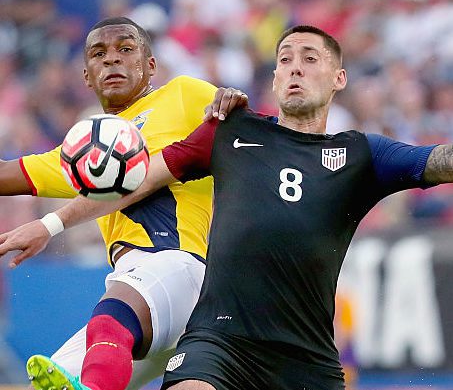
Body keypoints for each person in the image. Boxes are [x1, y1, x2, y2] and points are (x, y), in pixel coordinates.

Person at [1, 24, 451, 390]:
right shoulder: (208, 134)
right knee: (61, 374)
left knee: (101, 340)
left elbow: (435, 162)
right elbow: (132, 181)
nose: (294, 68)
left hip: (267, 327)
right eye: (284, 60)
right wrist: (51, 223)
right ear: (273, 78)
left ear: (339, 78)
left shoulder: (356, 152)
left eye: (309, 59)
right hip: (213, 335)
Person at [0, 17, 248, 390]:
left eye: (126, 49)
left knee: (108, 320)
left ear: (150, 65)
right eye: (99, 54)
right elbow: (7, 174)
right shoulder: (82, 151)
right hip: (146, 301)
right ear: (86, 75)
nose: (112, 60)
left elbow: (252, 133)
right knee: (53, 382)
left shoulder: (183, 94)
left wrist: (232, 104)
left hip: (180, 267)